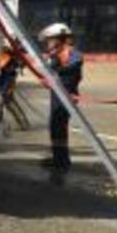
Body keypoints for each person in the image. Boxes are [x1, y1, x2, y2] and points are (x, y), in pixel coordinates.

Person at [39, 23, 83, 185]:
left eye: (50, 40)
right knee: (56, 127)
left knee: (59, 126)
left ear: (59, 39)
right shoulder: (56, 54)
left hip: (66, 96)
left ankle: (62, 161)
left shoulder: (72, 53)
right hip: (57, 95)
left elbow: (73, 66)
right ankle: (59, 157)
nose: (48, 44)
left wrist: (56, 69)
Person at [0, 41, 29, 130]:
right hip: (3, 80)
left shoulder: (10, 59)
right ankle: (23, 124)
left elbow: (11, 75)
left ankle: (23, 124)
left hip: (7, 81)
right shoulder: (4, 57)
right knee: (3, 103)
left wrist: (9, 88)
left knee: (7, 102)